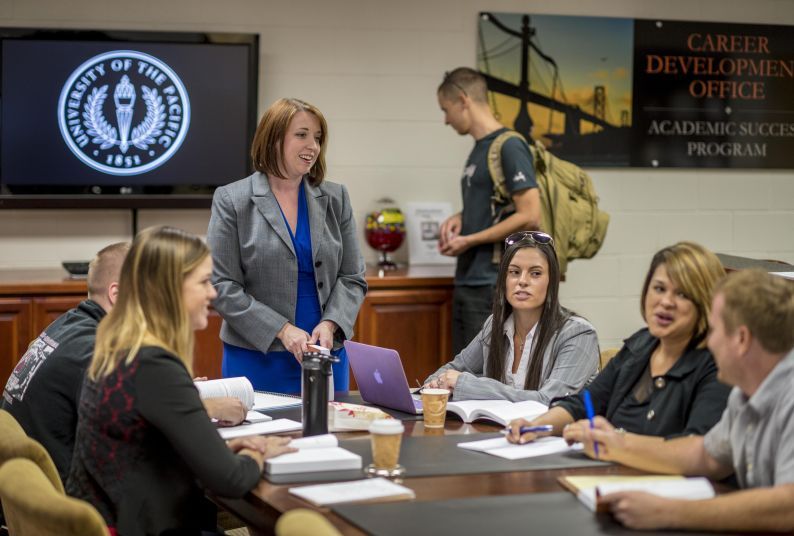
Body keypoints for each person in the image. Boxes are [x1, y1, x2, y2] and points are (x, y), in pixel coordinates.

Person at [67, 226, 294, 536]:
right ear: (168, 289)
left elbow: (149, 448)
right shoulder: (153, 365)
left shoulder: (120, 347)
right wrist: (258, 453)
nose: (213, 293)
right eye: (203, 282)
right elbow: (230, 481)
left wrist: (226, 453)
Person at [570, 270, 794, 533]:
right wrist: (615, 445)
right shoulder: (744, 394)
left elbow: (788, 506)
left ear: (741, 339)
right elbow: (706, 456)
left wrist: (668, 511)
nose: (709, 341)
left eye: (713, 330)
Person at [207, 97, 367, 393]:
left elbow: (353, 277)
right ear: (274, 139)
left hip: (325, 352)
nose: (313, 147)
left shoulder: (336, 197)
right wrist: (281, 330)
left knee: (330, 437)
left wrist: (331, 323)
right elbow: (222, 286)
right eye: (302, 135)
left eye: (318, 138)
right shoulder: (232, 200)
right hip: (258, 355)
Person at [508, 241, 731, 442]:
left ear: (704, 301)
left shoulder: (716, 364)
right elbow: (585, 404)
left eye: (682, 294)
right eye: (659, 288)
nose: (665, 302)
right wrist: (536, 427)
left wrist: (617, 442)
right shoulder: (642, 344)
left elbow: (697, 447)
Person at [1, 242, 128, 482]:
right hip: (64, 505)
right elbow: (125, 442)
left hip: (25, 492)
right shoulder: (94, 352)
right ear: (116, 294)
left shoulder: (68, 324)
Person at [437, 67, 542, 356]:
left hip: (490, 281)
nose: (446, 120)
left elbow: (530, 214)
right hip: (467, 278)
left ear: (463, 100)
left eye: (446, 110)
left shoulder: (510, 146)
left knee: (484, 374)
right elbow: (494, 204)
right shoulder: (478, 149)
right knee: (461, 369)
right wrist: (462, 217)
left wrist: (470, 240)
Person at [423, 231, 598, 403]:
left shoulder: (577, 333)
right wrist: (436, 385)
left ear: (552, 281)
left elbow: (549, 401)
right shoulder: (495, 325)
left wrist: (469, 385)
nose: (522, 281)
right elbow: (452, 369)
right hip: (499, 429)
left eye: (535, 273)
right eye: (514, 272)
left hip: (554, 431)